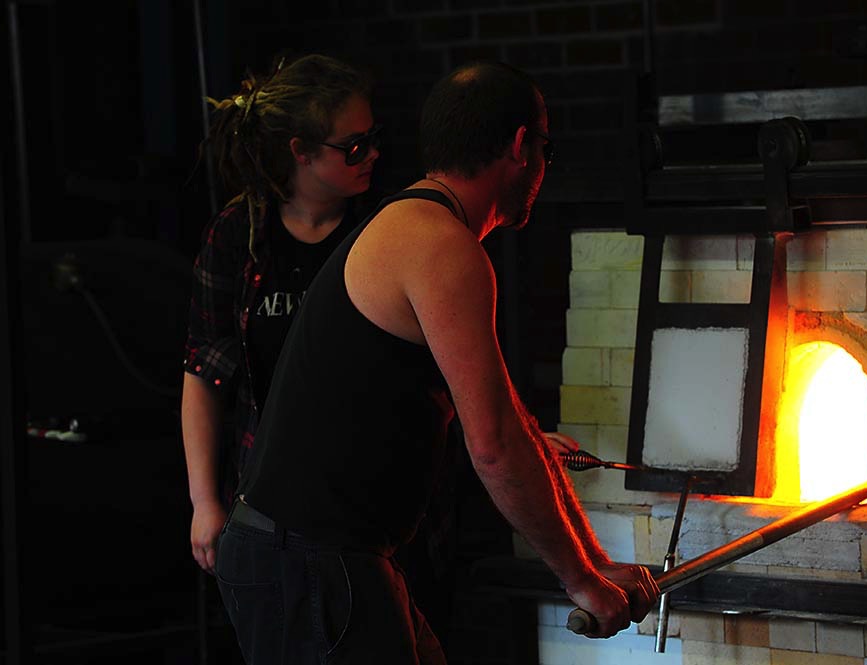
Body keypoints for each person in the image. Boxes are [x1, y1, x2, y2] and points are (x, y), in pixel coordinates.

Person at [218, 61, 659, 664]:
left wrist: (595, 564)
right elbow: (494, 448)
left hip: (321, 556)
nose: (543, 166)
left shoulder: (419, 225)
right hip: (308, 561)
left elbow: (513, 426)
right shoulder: (441, 247)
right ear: (521, 146)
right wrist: (581, 581)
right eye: (546, 150)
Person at [180, 53, 381, 574]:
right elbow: (203, 371)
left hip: (369, 494)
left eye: (371, 138)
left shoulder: (383, 227)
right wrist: (204, 502)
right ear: (301, 152)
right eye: (353, 146)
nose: (372, 154)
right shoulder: (238, 234)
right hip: (266, 499)